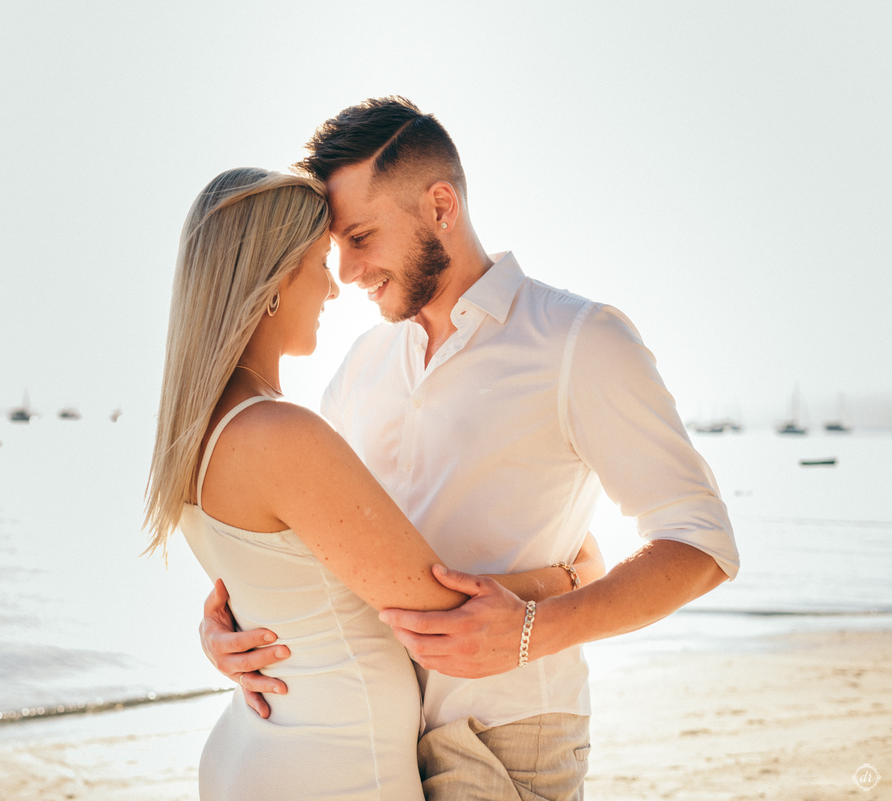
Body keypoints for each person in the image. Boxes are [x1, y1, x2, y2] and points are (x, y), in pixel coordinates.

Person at [201, 97, 741, 800]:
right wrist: (228, 627)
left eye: (362, 236)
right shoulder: (361, 363)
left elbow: (703, 544)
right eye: (337, 248)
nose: (350, 271)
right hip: (368, 737)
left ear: (440, 206)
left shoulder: (578, 339)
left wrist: (532, 630)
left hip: (506, 735)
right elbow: (321, 548)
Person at [145, 167, 604, 801]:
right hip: (331, 765)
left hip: (267, 750)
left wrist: (215, 634)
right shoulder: (278, 433)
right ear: (274, 280)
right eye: (317, 262)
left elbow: (272, 587)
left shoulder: (200, 427)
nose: (334, 287)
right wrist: (578, 571)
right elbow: (434, 607)